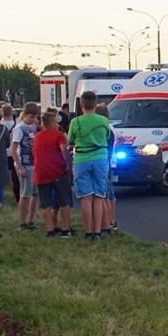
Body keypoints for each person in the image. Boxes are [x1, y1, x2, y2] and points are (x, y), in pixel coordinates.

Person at [67, 91, 111, 241]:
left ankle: (88, 232)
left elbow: (70, 140)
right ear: (95, 103)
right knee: (99, 196)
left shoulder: (76, 122)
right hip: (101, 158)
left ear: (81, 105)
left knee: (86, 198)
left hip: (82, 159)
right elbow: (107, 137)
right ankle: (98, 232)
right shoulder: (104, 121)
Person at [33, 111, 73, 237]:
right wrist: (68, 165)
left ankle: (50, 230)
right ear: (52, 123)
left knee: (46, 203)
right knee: (64, 202)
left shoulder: (37, 137)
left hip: (41, 172)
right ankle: (65, 229)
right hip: (57, 172)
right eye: (56, 122)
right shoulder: (59, 135)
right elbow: (63, 150)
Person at [11, 102, 40, 231]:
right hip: (25, 163)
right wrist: (19, 165)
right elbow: (13, 148)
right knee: (25, 194)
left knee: (35, 193)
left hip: (35, 163)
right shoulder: (20, 128)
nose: (33, 120)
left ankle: (30, 220)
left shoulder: (34, 126)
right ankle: (22, 222)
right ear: (25, 115)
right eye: (31, 117)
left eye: (35, 117)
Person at [94, 104, 118, 233]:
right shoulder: (112, 128)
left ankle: (110, 221)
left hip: (106, 162)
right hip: (110, 162)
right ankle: (110, 220)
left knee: (107, 193)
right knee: (108, 192)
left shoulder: (106, 129)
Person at [1, 104, 19, 203]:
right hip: (13, 152)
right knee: (14, 174)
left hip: (2, 151)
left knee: (3, 173)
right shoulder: (15, 124)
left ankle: (2, 192)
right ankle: (14, 191)